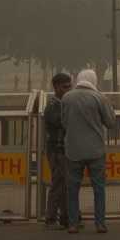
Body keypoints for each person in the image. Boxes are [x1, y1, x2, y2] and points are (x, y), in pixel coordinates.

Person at [62, 68, 116, 234]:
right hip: (95, 150)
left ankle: (72, 224)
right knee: (98, 189)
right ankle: (100, 224)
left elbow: (64, 123)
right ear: (93, 80)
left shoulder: (66, 97)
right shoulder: (99, 98)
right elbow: (110, 122)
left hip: (73, 150)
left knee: (72, 189)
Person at [43, 72, 73, 230]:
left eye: (70, 86)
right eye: (65, 87)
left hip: (63, 149)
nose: (69, 89)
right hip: (56, 149)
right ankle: (50, 216)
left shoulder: (63, 103)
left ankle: (65, 217)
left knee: (63, 183)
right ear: (56, 87)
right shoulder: (53, 106)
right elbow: (61, 122)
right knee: (58, 183)